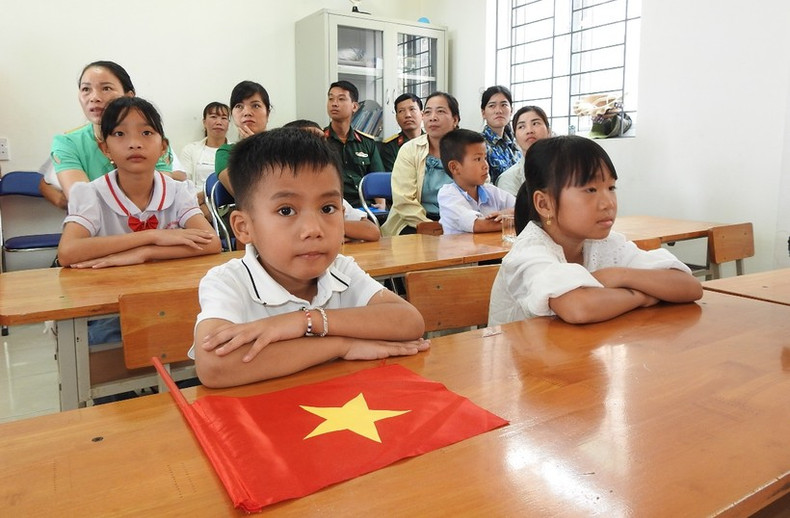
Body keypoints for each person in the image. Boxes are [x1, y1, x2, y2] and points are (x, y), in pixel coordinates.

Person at [191, 128, 428, 388]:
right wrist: (341, 345)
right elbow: (215, 366)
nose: (313, 229)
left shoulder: (340, 269)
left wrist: (304, 321)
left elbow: (410, 321)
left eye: (328, 208)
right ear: (244, 227)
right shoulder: (228, 281)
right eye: (286, 210)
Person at [488, 136, 702, 326]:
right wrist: (643, 296)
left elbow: (689, 287)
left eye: (611, 188)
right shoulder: (530, 251)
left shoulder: (604, 244)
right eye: (590, 190)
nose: (608, 203)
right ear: (544, 204)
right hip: (522, 368)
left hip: (576, 358)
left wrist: (619, 275)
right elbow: (579, 307)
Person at [57, 97, 221, 345]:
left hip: (168, 299)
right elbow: (68, 252)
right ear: (105, 149)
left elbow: (211, 243)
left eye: (146, 132)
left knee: (197, 331)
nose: (134, 143)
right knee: (103, 338)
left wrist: (144, 253)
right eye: (120, 134)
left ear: (163, 146)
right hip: (110, 305)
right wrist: (152, 235)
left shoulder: (177, 190)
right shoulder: (91, 193)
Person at [43, 60, 184, 210]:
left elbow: (158, 200)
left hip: (154, 226)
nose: (94, 97)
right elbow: (85, 206)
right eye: (86, 89)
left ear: (129, 96)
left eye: (106, 88)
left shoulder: (151, 138)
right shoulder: (67, 143)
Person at [283, 119, 381, 242]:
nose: (320, 149)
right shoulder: (281, 196)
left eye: (323, 142)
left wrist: (336, 226)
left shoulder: (327, 195)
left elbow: (372, 232)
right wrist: (335, 227)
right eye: (310, 142)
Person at [381, 91, 460, 236]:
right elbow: (404, 201)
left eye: (440, 111)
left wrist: (462, 223)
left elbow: (481, 189)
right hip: (414, 222)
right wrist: (432, 226)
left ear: (455, 119)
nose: (433, 118)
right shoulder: (409, 150)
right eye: (428, 112)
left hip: (460, 221)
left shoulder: (467, 149)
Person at [437, 129, 515, 235]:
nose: (486, 165)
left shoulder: (490, 191)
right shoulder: (448, 195)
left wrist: (508, 213)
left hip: (491, 250)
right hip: (461, 251)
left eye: (485, 158)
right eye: (478, 159)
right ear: (454, 167)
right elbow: (479, 225)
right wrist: (515, 218)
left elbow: (523, 207)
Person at [324, 80, 384, 207]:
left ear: (355, 107)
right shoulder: (320, 140)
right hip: (332, 205)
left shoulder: (367, 143)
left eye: (341, 99)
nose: (334, 104)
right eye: (331, 99)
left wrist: (381, 206)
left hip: (363, 205)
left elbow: (377, 180)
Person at [216, 80, 271, 195]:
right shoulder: (226, 152)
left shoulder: (283, 146)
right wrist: (252, 149)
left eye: (255, 105)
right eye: (239, 106)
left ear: (268, 113)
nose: (247, 112)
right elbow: (243, 194)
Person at [496, 106, 551, 196]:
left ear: (548, 131)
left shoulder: (566, 170)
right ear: (515, 138)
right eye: (521, 126)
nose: (529, 131)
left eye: (535, 123)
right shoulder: (509, 179)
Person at [180, 101, 230, 190]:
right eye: (213, 117)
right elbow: (184, 183)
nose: (219, 122)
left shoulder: (238, 151)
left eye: (224, 118)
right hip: (195, 201)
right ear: (204, 122)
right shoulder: (190, 150)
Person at [480, 85, 521, 184]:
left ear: (511, 110)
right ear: (483, 113)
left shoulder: (516, 146)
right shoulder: (478, 144)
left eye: (504, 105)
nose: (499, 111)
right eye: (492, 106)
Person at [379, 93, 424, 171]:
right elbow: (392, 177)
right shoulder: (390, 147)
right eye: (401, 111)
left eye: (412, 109)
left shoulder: (434, 142)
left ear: (422, 114)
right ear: (396, 118)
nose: (407, 115)